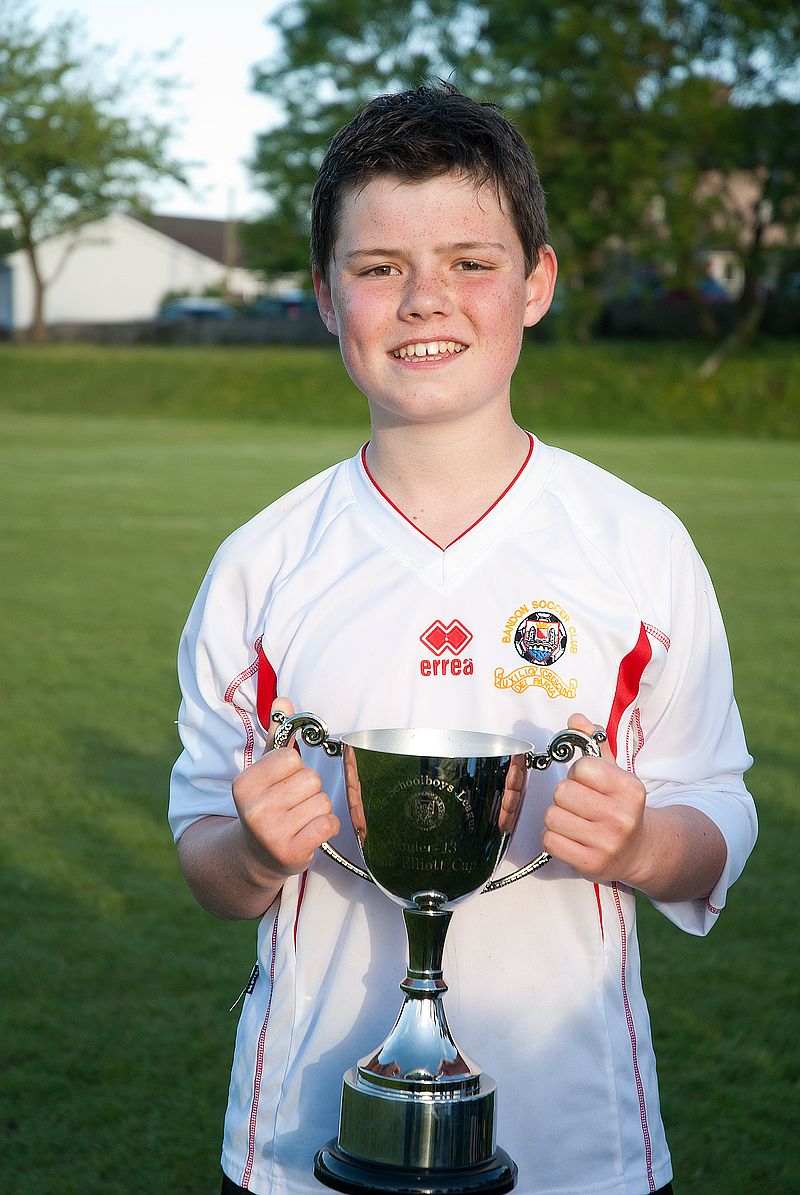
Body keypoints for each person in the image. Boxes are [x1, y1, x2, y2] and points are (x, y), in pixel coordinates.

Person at [169, 84, 756, 1195]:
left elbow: (717, 814)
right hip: (306, 1139)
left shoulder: (636, 543)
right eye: (378, 266)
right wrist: (251, 851)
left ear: (534, 282)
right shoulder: (261, 562)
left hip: (578, 1137)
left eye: (469, 262)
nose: (423, 299)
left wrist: (639, 848)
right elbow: (206, 849)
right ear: (322, 293)